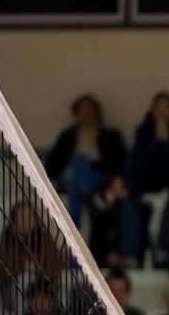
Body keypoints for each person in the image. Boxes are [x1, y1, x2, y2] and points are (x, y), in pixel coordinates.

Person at [44, 94, 126, 228]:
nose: (86, 113)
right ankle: (82, 195)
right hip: (70, 178)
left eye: (89, 109)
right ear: (76, 114)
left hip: (98, 176)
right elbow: (52, 163)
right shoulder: (68, 136)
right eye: (83, 110)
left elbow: (117, 162)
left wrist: (91, 163)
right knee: (75, 165)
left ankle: (75, 208)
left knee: (80, 163)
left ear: (97, 113)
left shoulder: (110, 136)